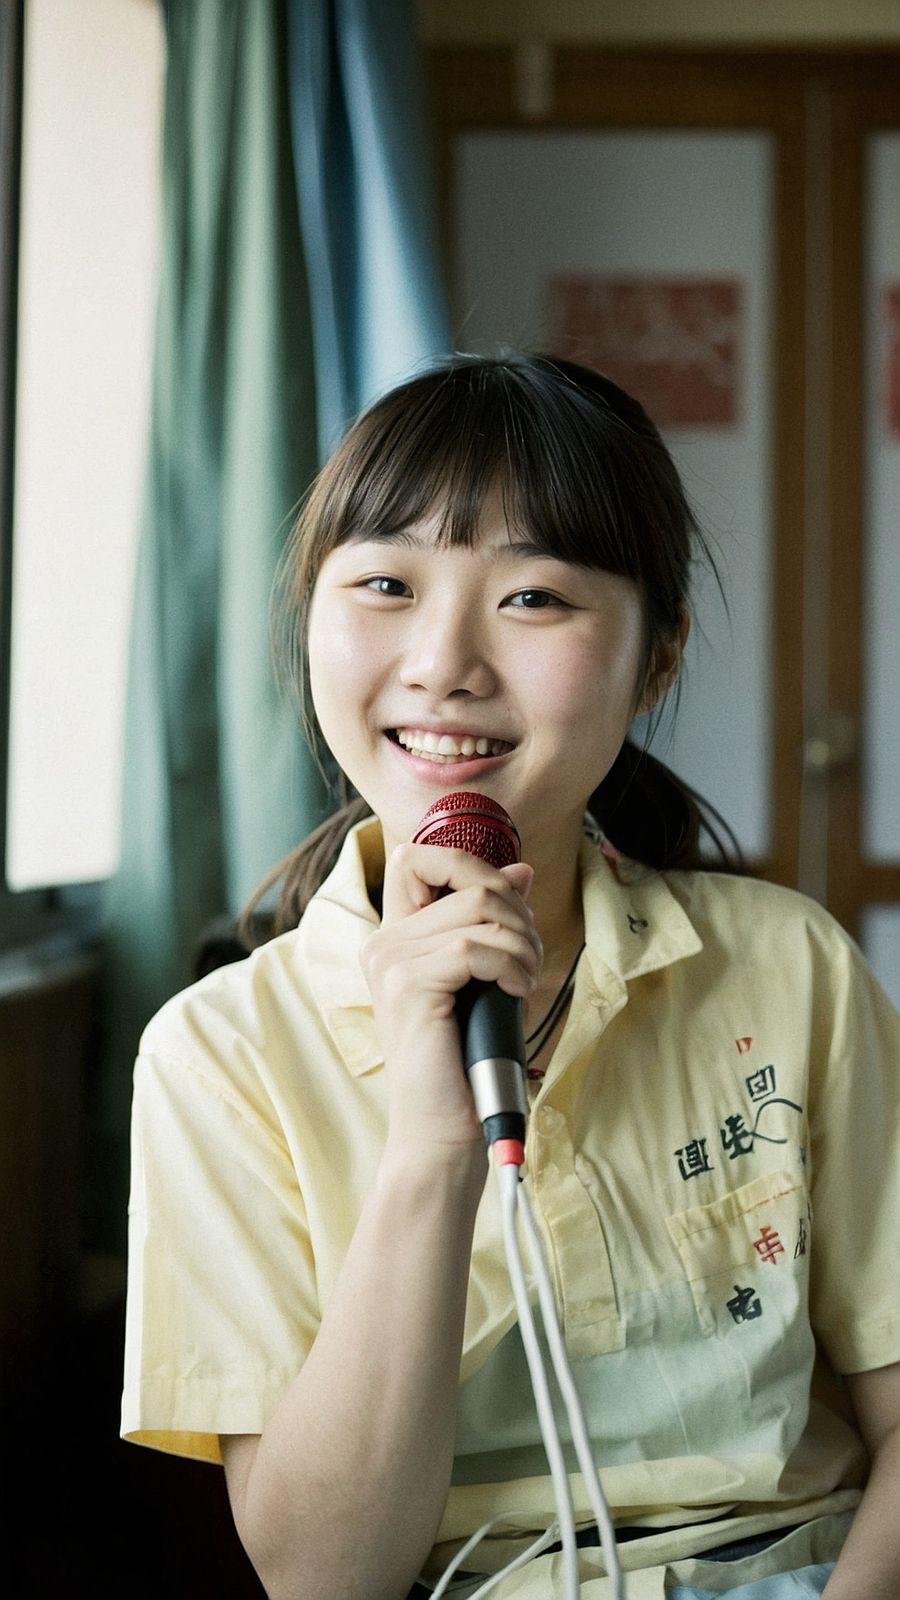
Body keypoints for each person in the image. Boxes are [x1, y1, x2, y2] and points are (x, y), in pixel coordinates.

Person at [121, 353, 900, 1600]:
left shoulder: (791, 968)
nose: (443, 661)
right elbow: (323, 1578)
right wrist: (432, 1145)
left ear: (655, 659)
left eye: (535, 599)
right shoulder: (217, 1054)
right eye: (383, 583)